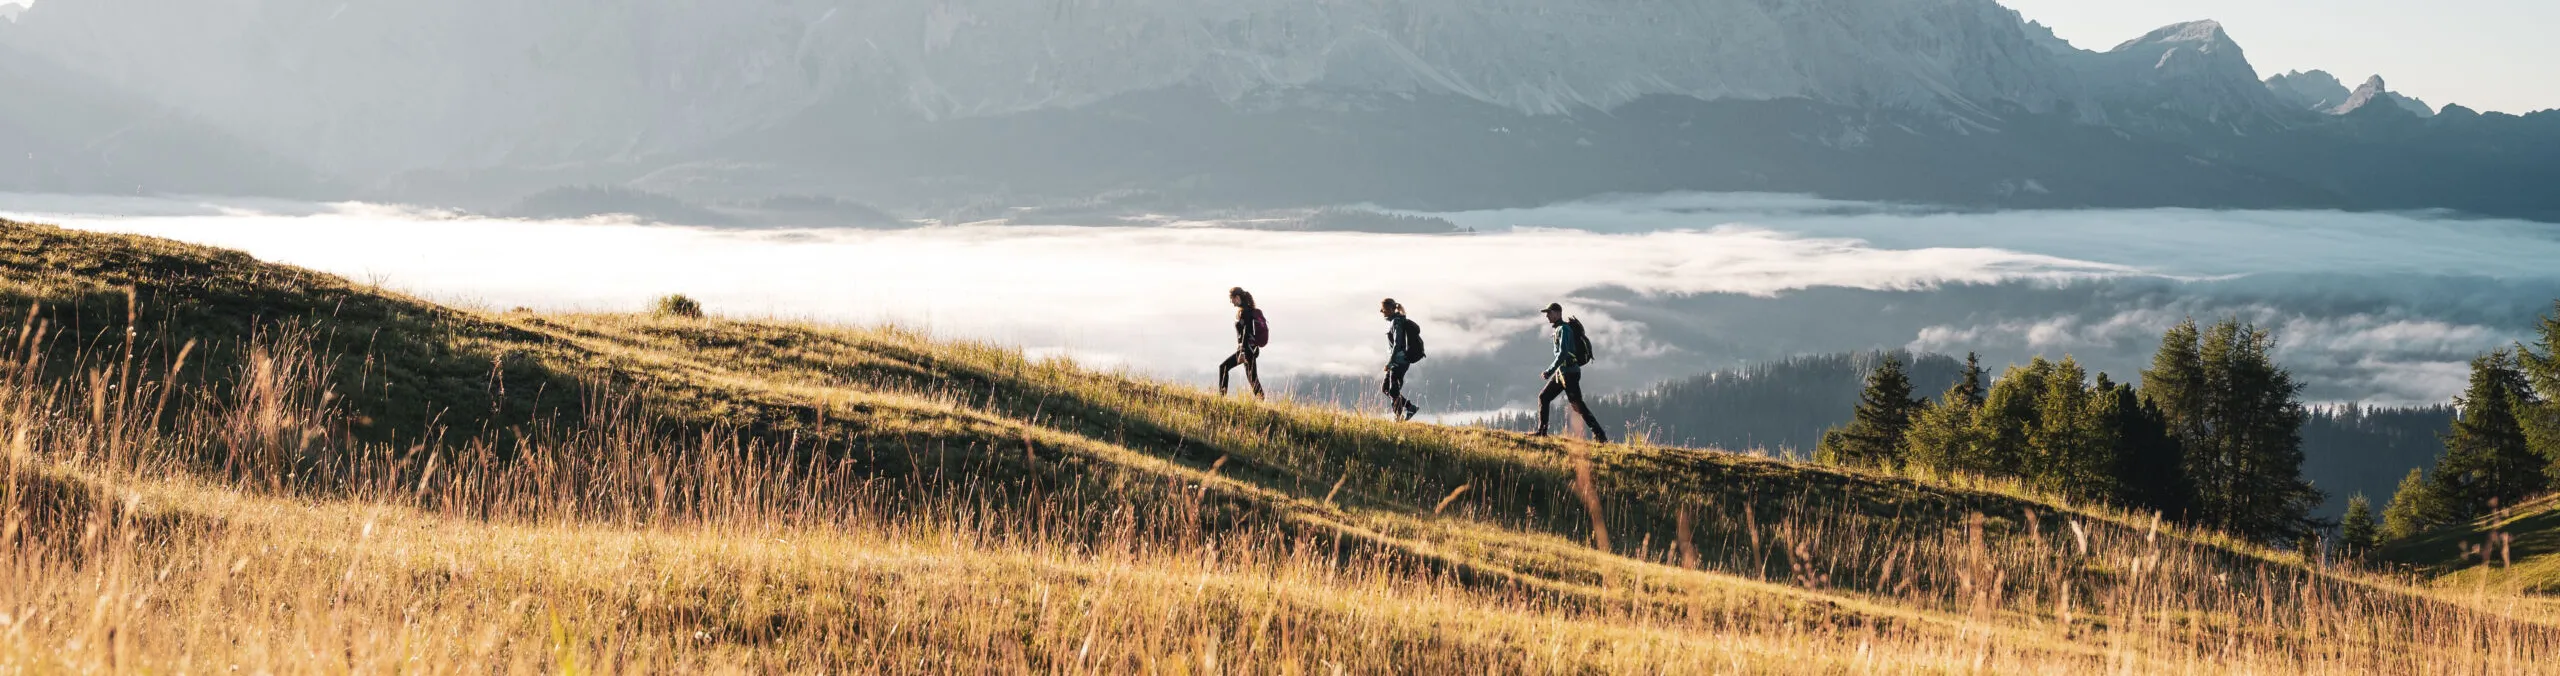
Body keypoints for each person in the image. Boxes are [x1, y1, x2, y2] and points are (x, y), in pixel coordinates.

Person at [1535, 302, 1609, 442]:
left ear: (1558, 313)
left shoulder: (1564, 329)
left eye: (1549, 313)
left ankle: (1600, 435)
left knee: (1577, 405)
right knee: (1544, 397)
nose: (1547, 316)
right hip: (1563, 371)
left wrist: (1549, 371)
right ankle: (1541, 432)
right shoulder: (1559, 329)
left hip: (1569, 372)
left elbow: (1562, 353)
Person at [1218, 287, 1266, 399]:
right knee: (1252, 378)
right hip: (1250, 349)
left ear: (1237, 297)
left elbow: (1246, 331)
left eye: (1232, 299)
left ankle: (1221, 398)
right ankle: (1261, 399)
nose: (1231, 302)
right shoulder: (1246, 310)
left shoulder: (1245, 312)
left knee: (1223, 367)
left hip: (1247, 350)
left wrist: (1243, 352)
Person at [1380, 298, 1422, 421]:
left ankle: (1398, 418)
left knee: (1393, 390)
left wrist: (1390, 362)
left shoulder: (1396, 322)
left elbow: (1398, 344)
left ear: (1391, 309)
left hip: (1399, 361)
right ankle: (1410, 407)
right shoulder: (1395, 321)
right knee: (1386, 388)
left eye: (1384, 309)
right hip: (1397, 361)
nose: (1382, 312)